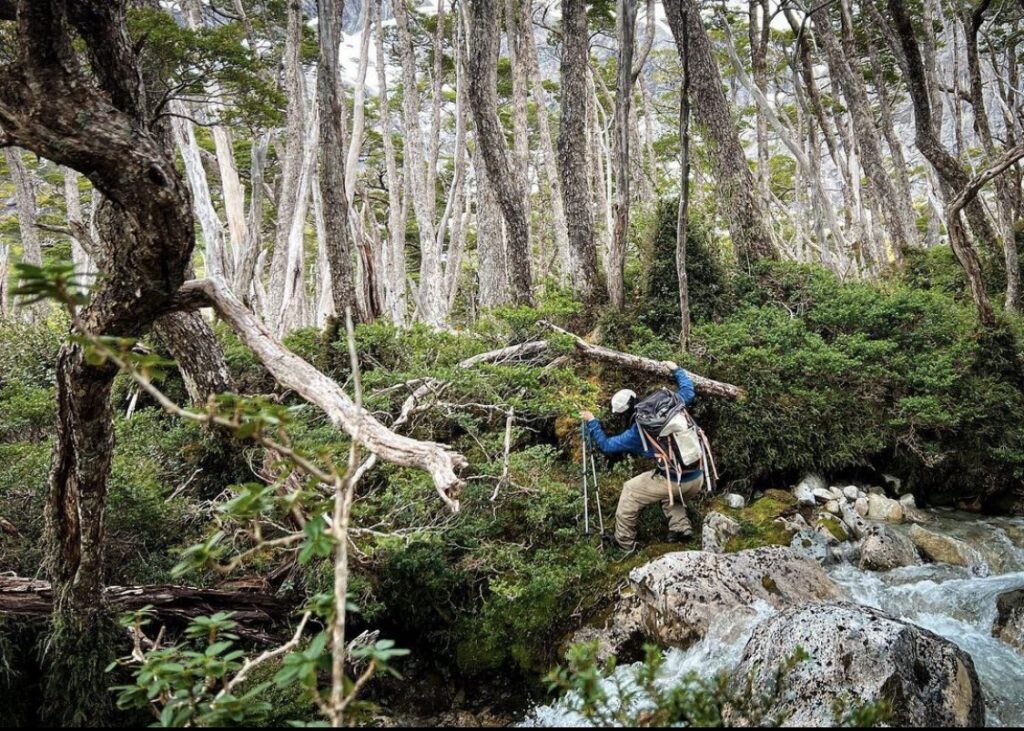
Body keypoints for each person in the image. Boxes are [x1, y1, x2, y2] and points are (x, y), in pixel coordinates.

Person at [581, 362, 703, 551]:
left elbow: (606, 445)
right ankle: (680, 528)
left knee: (630, 490)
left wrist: (592, 422)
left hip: (675, 481)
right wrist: (676, 369)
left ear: (622, 413)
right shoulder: (670, 405)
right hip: (698, 476)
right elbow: (688, 390)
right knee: (667, 492)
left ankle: (624, 543)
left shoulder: (636, 432)